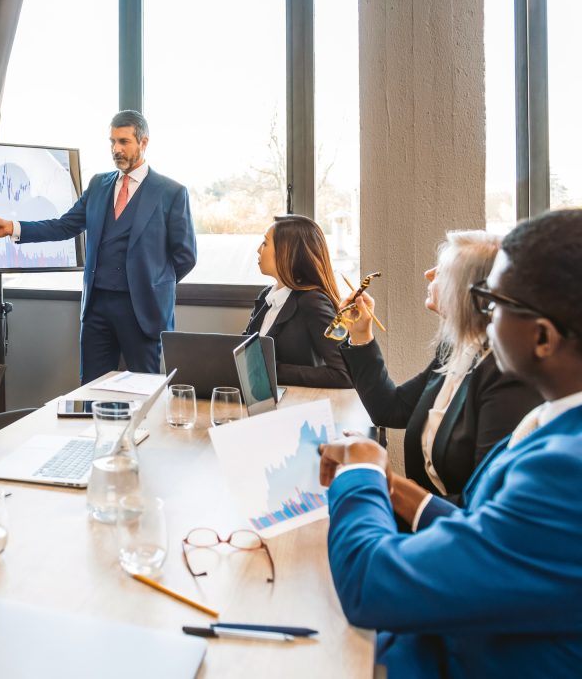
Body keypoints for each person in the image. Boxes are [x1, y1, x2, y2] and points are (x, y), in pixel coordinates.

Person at [319, 209, 582, 678]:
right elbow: (490, 532)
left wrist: (357, 474)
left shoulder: (566, 474)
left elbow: (371, 587)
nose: (485, 314)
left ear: (542, 337)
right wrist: (391, 485)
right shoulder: (554, 416)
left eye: (492, 301)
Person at [0, 110, 197, 383]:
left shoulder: (171, 193)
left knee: (144, 390)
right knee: (91, 391)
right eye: (112, 141)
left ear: (144, 143)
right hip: (97, 309)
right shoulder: (98, 185)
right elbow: (64, 226)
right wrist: (13, 227)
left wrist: (152, 284)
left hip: (143, 312)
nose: (116, 149)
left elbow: (185, 256)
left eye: (124, 141)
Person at [340, 230, 541, 506]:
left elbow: (486, 504)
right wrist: (361, 335)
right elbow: (390, 408)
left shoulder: (505, 376)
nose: (428, 274)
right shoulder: (454, 349)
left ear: (468, 290)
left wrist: (390, 486)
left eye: (443, 270)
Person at [242, 215, 352, 388]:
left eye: (265, 243)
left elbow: (345, 373)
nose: (258, 250)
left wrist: (273, 371)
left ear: (286, 251)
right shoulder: (266, 297)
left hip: (298, 407)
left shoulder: (314, 302)